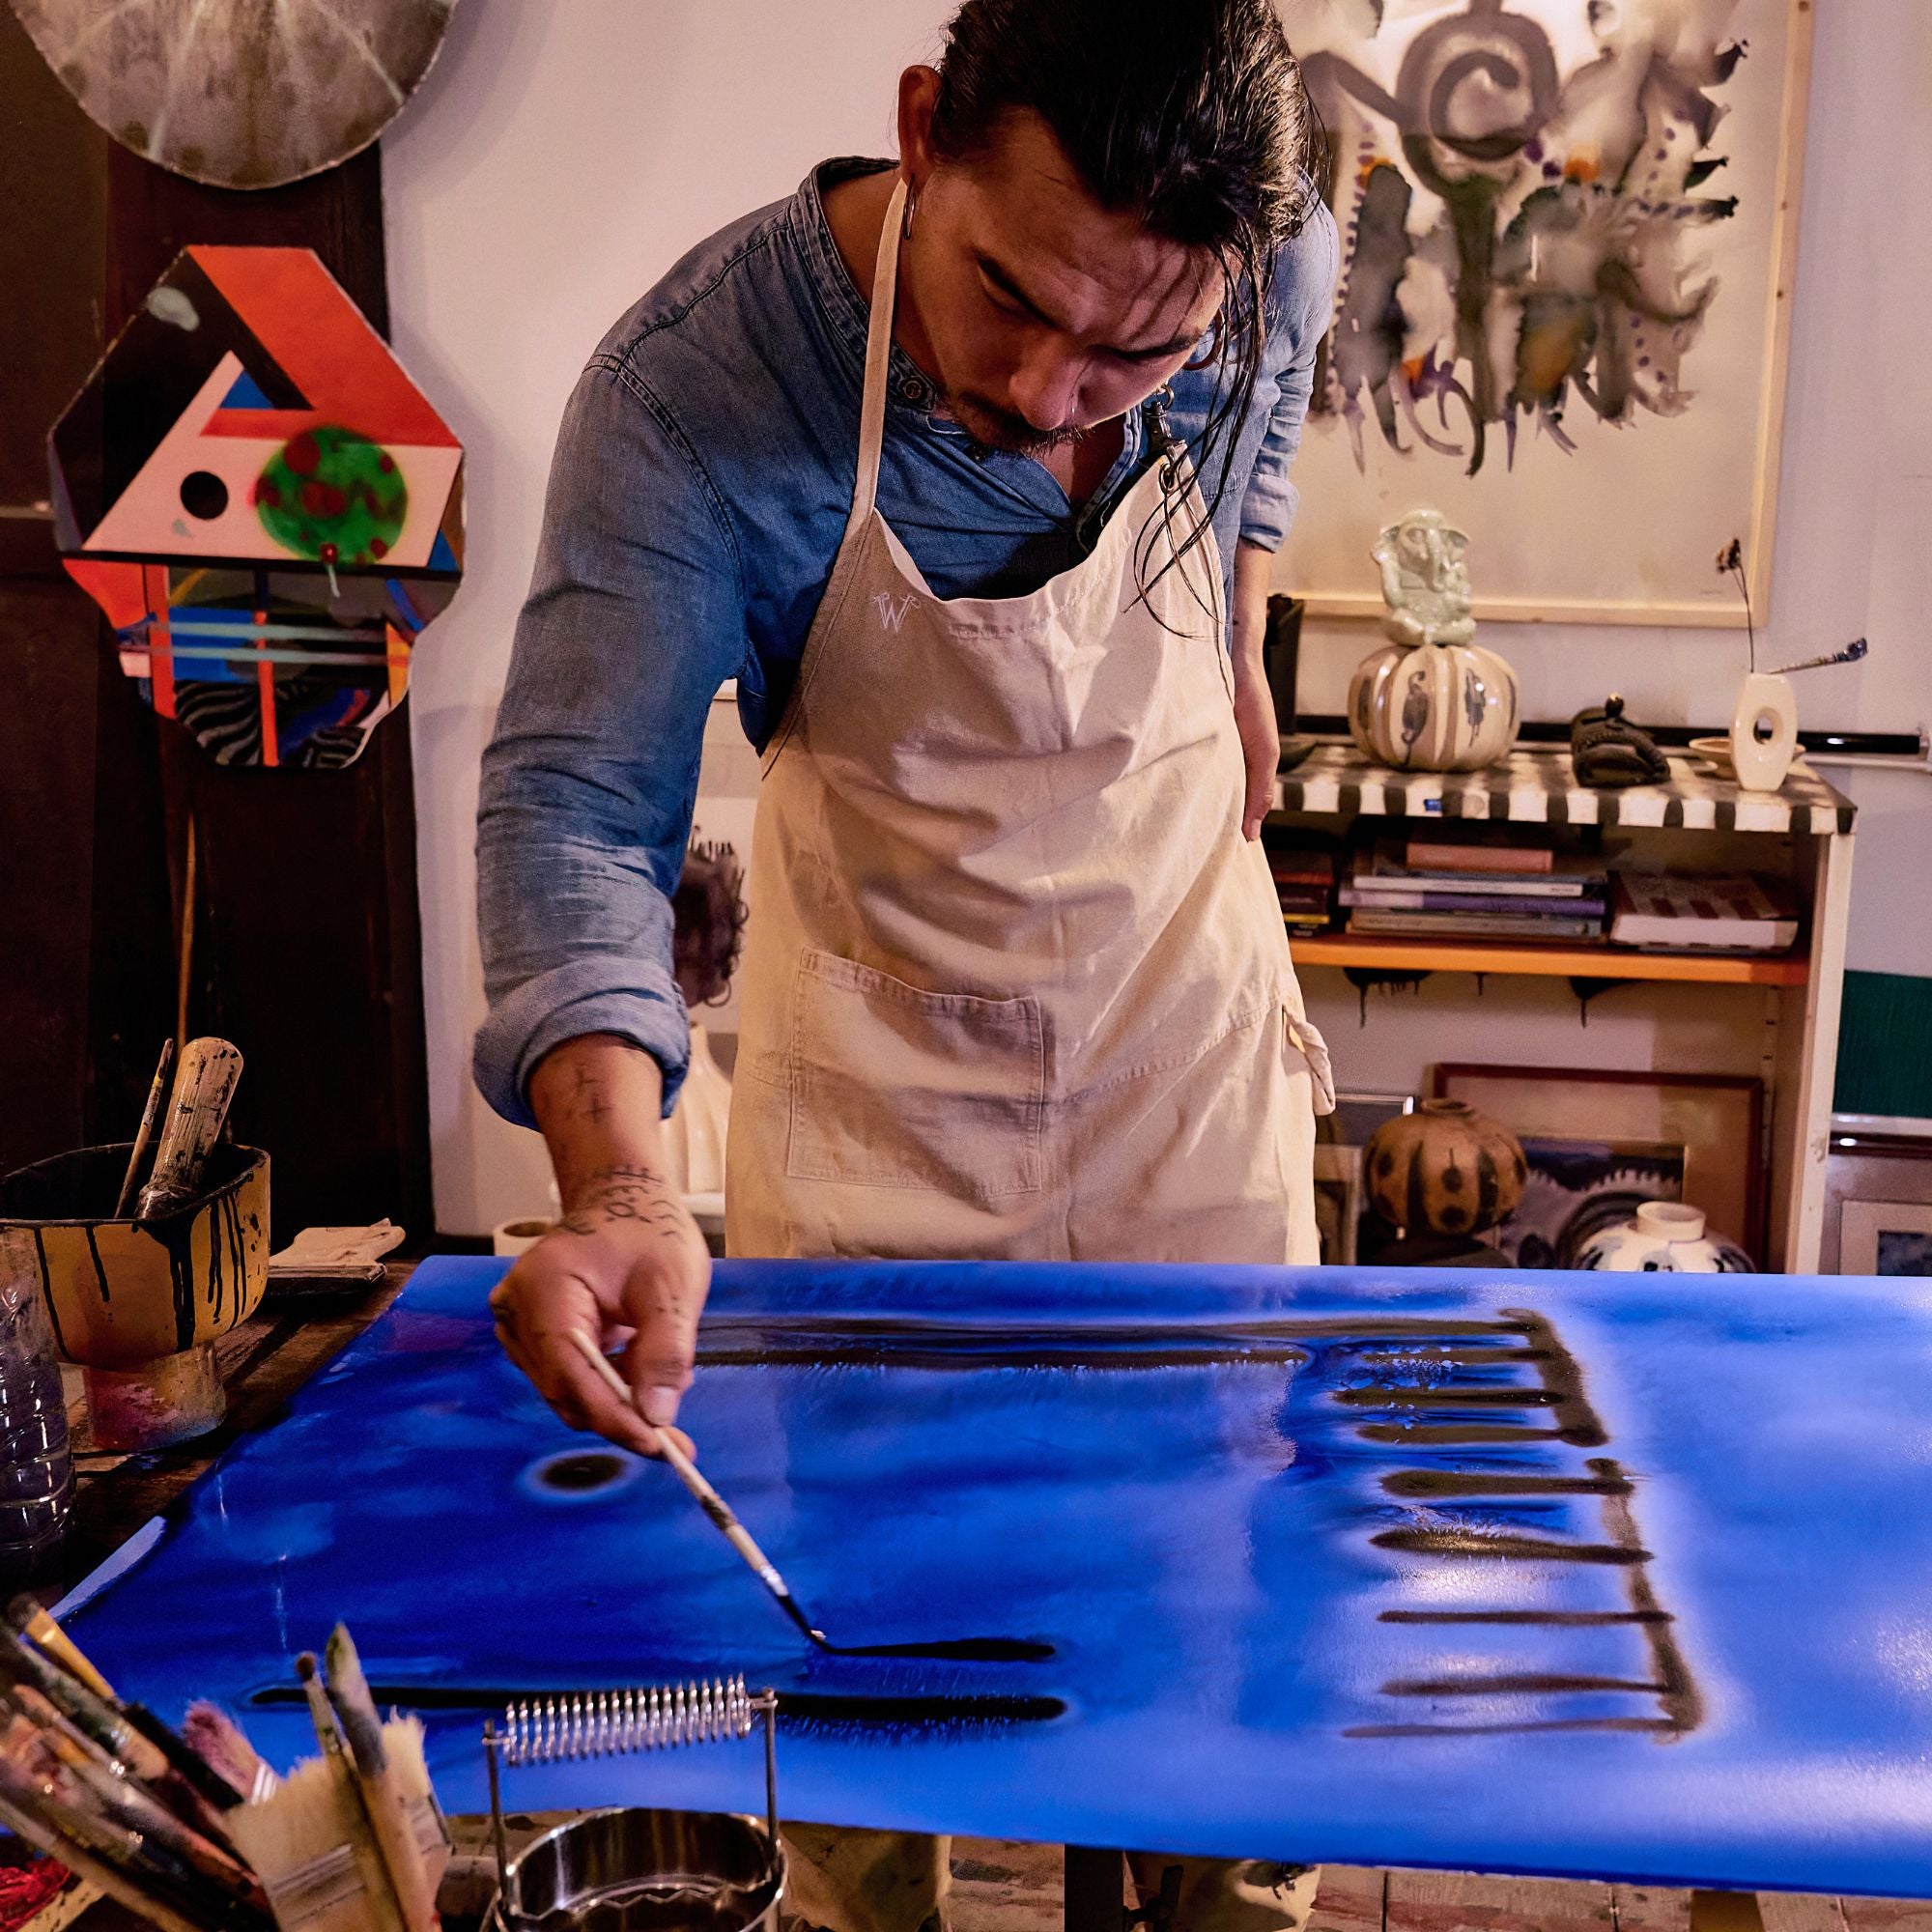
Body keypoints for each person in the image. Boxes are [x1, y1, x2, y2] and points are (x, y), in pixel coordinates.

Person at [479, 2, 1336, 1923]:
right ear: (925, 129)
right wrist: (618, 1188)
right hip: (885, 1119)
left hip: (1184, 1078)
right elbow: (578, 804)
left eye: (1138, 352)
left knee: (1214, 1662)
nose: (1046, 391)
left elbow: (1282, 344)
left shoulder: (1264, 262)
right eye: (1010, 298)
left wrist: (1241, 609)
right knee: (864, 1678)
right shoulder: (696, 393)